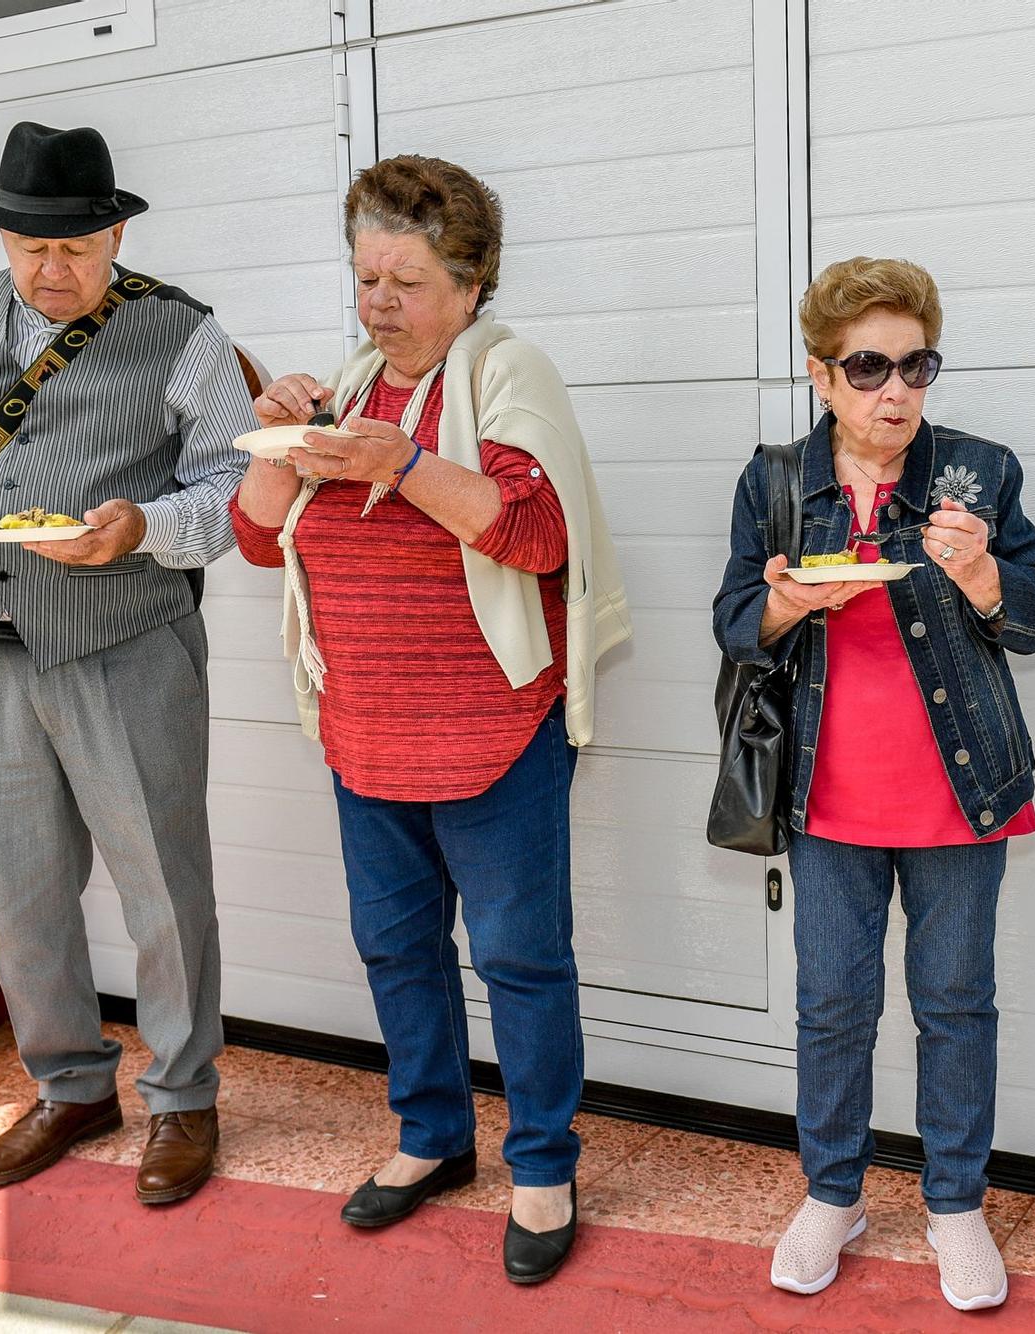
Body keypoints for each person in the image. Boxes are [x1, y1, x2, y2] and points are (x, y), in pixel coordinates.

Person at [230, 155, 630, 1284]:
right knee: (397, 947)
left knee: (518, 958)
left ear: (468, 281)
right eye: (364, 277)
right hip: (365, 734)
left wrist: (403, 463)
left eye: (404, 280)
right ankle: (432, 1137)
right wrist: (271, 444)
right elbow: (260, 540)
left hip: (491, 736)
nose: (377, 304)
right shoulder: (349, 385)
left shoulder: (507, 372)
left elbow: (536, 534)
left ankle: (543, 1164)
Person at [0, 121, 252, 1202]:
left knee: (165, 890)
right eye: (29, 245)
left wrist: (143, 529)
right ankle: (69, 1084)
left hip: (128, 644)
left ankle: (182, 1096)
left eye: (75, 244)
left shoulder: (182, 331)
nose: (51, 266)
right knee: (23, 891)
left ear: (115, 228)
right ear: (2, 236)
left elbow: (233, 496)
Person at [714, 257, 1035, 1312]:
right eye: (867, 366)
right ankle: (833, 1191)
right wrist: (784, 603)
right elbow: (736, 620)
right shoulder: (775, 481)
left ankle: (955, 1202)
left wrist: (984, 575)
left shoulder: (978, 472)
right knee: (831, 1004)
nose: (895, 391)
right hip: (826, 793)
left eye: (915, 365)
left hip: (959, 790)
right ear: (820, 374)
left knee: (955, 1003)